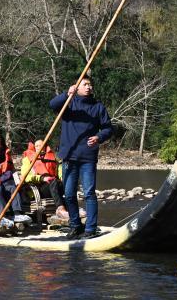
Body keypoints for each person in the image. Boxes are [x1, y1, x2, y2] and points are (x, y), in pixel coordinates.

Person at [49, 76, 112, 239]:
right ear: (77, 87)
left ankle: (90, 228)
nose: (88, 87)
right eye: (85, 84)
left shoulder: (98, 107)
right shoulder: (69, 103)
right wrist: (66, 94)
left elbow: (108, 128)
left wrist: (99, 137)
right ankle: (75, 225)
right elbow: (52, 105)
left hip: (88, 157)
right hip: (69, 156)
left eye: (90, 84)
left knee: (89, 193)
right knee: (69, 194)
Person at [21, 139, 70, 219]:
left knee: (68, 182)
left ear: (44, 146)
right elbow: (25, 177)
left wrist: (63, 178)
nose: (38, 147)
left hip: (54, 186)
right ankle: (60, 208)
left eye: (40, 145)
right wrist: (42, 178)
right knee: (53, 182)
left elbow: (60, 171)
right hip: (39, 188)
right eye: (36, 146)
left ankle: (73, 208)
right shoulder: (27, 160)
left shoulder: (52, 158)